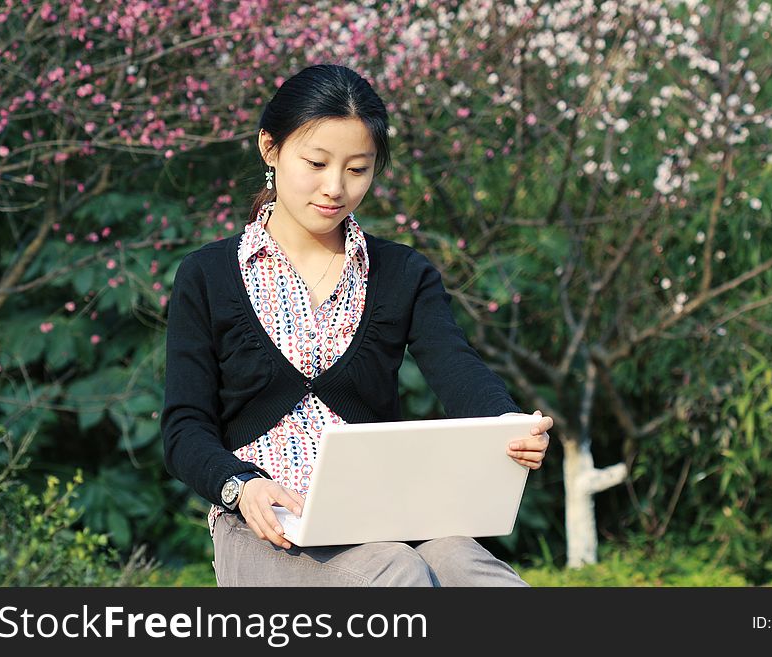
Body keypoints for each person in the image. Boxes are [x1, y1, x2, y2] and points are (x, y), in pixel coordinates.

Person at [161, 64, 553, 587]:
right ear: (270, 149)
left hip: (387, 514)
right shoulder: (207, 275)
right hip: (268, 528)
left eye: (357, 169)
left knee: (475, 575)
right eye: (316, 163)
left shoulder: (402, 273)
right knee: (396, 574)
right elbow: (184, 427)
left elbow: (457, 368)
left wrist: (506, 428)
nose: (335, 188)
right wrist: (241, 487)